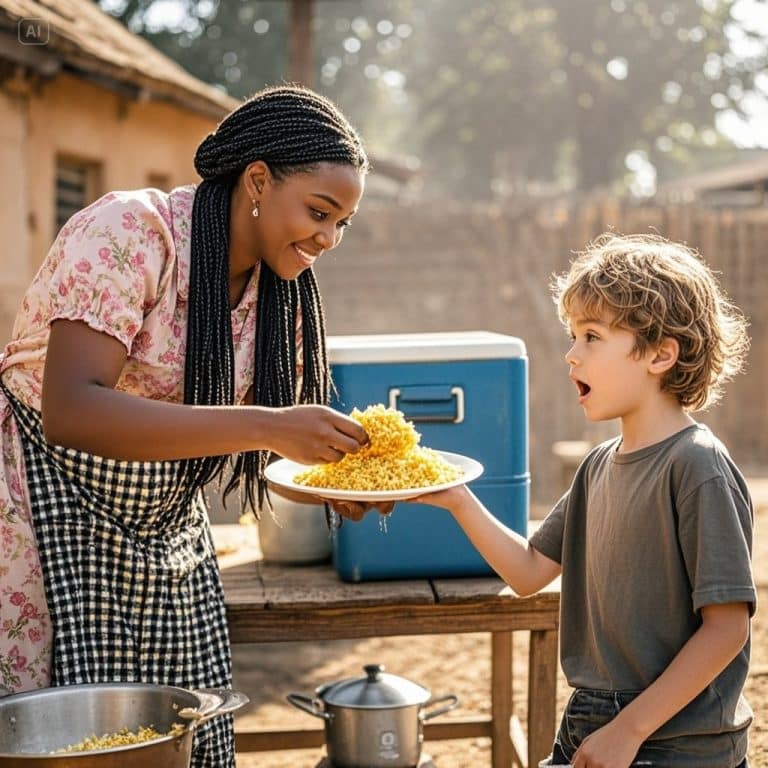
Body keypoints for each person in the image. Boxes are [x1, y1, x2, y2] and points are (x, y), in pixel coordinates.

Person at [0, 85, 374, 766]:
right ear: (257, 179)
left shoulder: (279, 292)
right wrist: (269, 426)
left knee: (174, 739)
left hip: (165, 536)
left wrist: (334, 484)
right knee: (63, 739)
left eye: (342, 223)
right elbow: (71, 410)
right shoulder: (132, 233)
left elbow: (266, 448)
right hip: (35, 508)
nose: (328, 238)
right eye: (319, 213)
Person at [412, 233, 756, 768]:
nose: (571, 355)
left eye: (591, 336)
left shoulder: (696, 466)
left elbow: (727, 627)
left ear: (661, 353)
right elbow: (527, 573)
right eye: (572, 336)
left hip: (677, 742)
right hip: (591, 721)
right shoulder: (597, 466)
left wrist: (630, 729)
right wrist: (456, 498)